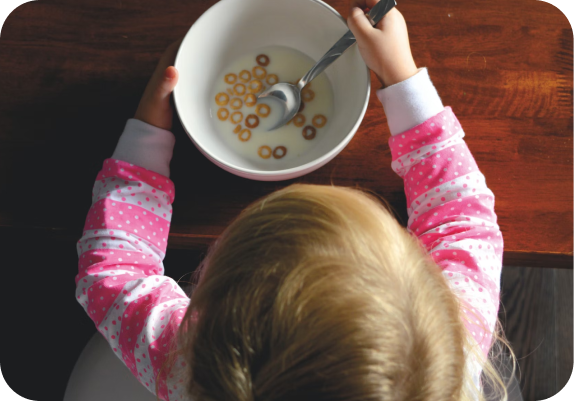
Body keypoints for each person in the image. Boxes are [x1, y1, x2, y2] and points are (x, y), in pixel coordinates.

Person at [74, 1, 519, 400]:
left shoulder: (187, 364)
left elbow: (112, 273)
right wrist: (402, 79)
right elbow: (462, 216)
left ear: (211, 304)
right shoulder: (451, 347)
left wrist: (147, 133)